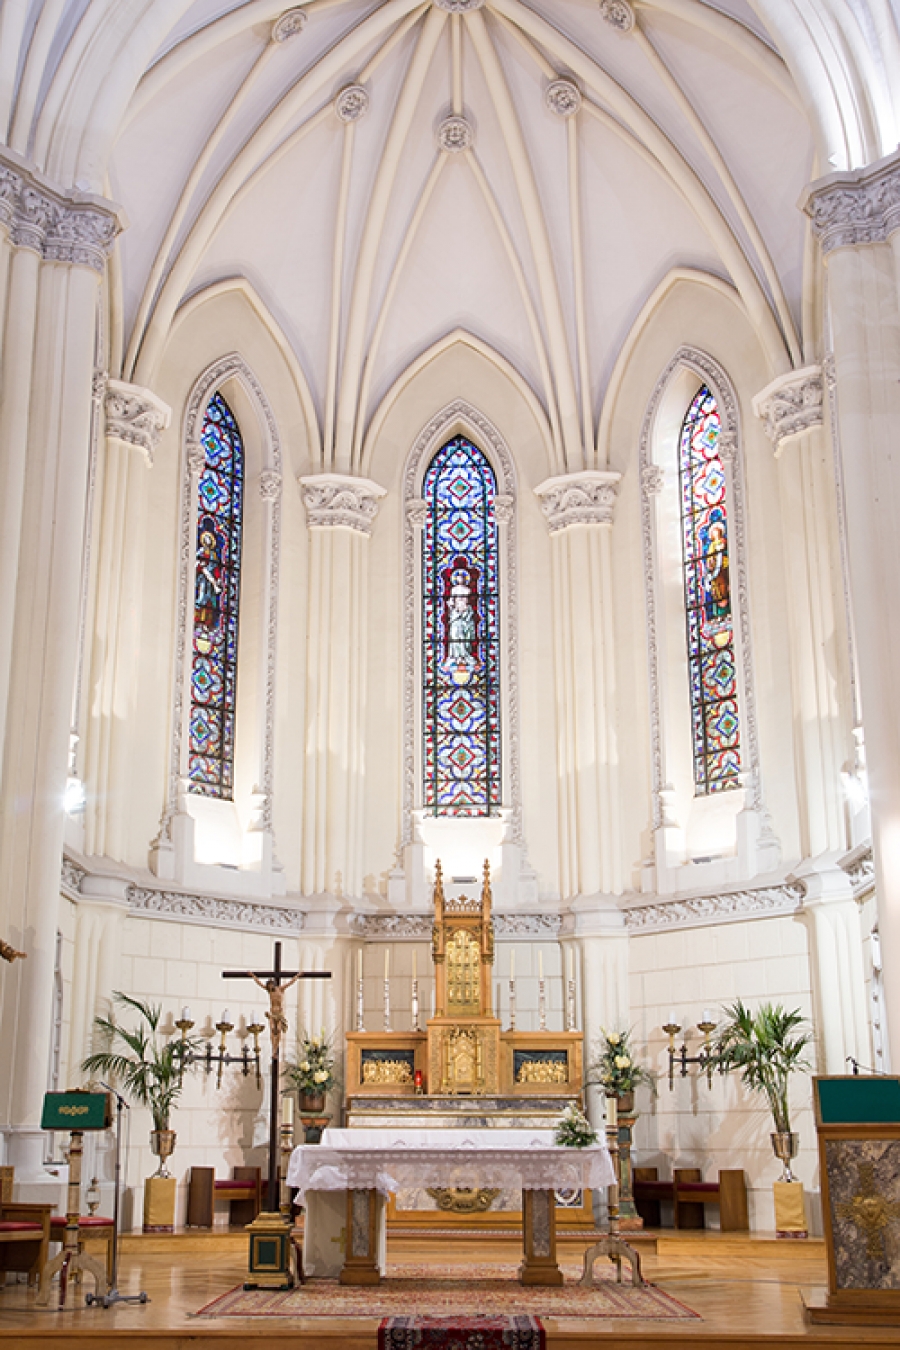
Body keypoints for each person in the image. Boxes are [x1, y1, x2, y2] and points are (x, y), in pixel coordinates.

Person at [248, 970, 304, 1058]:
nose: (269, 988)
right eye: (268, 986)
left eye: (270, 986)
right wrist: (253, 976)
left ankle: (276, 1048)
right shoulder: (269, 991)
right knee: (272, 1030)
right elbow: (259, 983)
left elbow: (290, 983)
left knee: (278, 1030)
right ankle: (273, 1050)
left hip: (279, 1013)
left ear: (273, 984)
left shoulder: (280, 989)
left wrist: (298, 975)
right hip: (272, 1013)